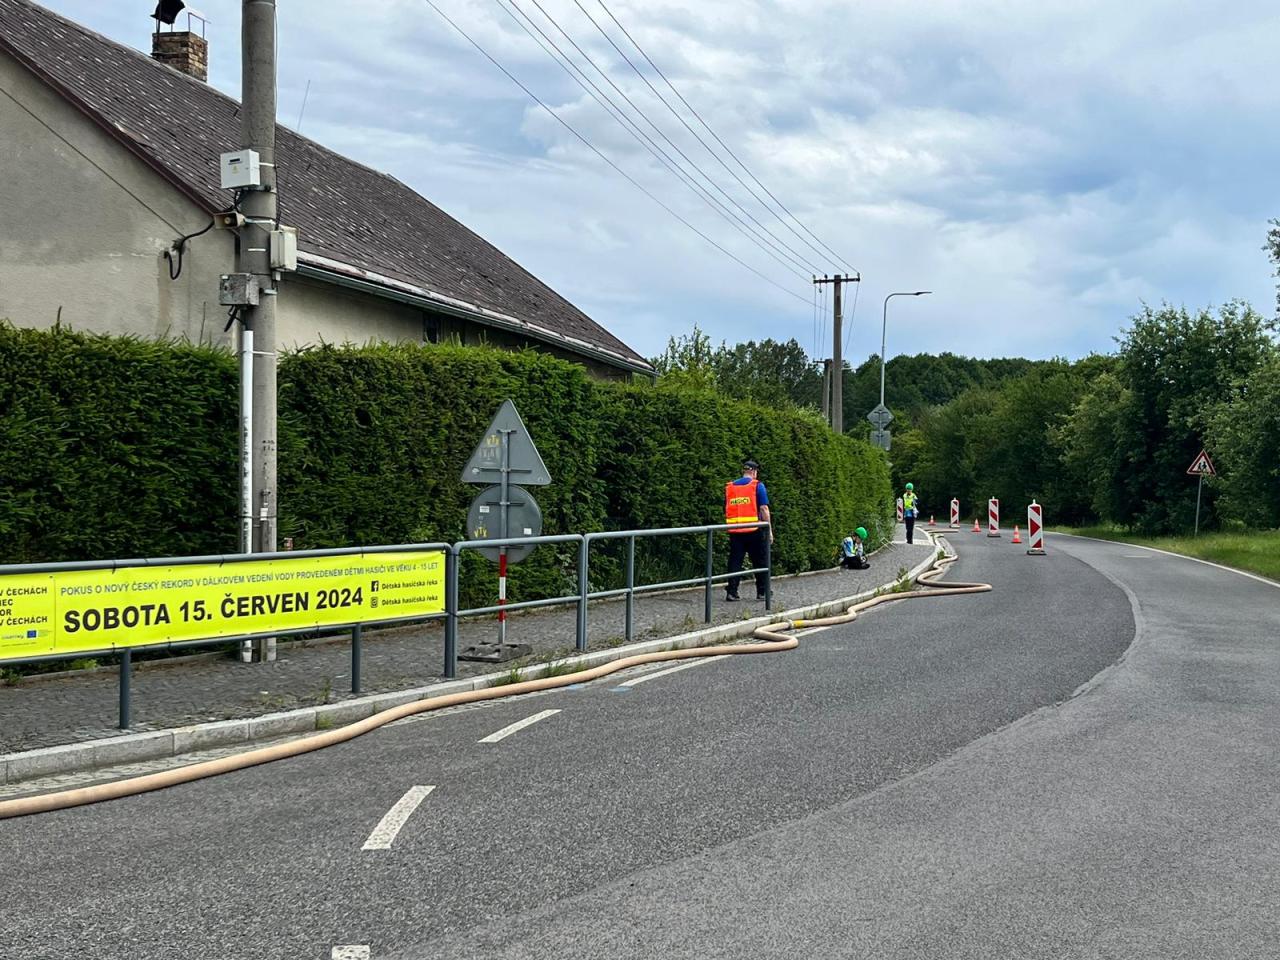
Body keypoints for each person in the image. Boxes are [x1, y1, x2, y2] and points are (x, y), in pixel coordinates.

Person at [724, 458, 772, 601]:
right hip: (754, 530)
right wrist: (769, 529)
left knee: (735, 561)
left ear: (743, 471)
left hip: (735, 531)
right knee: (760, 561)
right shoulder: (757, 486)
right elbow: (764, 509)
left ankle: (732, 592)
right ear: (754, 472)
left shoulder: (730, 487)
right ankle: (762, 592)